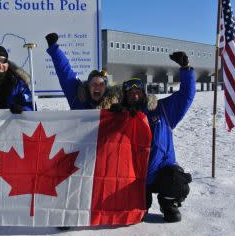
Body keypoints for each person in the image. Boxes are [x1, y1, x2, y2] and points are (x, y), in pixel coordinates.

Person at [113, 51, 195, 223]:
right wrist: (112, 116)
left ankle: (168, 202)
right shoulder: (121, 117)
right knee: (135, 217)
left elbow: (186, 95)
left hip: (162, 171)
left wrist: (185, 69)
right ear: (125, 97)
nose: (134, 95)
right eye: (129, 93)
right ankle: (143, 202)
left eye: (137, 91)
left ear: (143, 93)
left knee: (177, 183)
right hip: (134, 176)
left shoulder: (162, 109)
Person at [45, 33, 120, 110]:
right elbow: (64, 72)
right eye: (94, 84)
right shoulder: (78, 96)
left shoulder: (114, 104)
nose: (97, 87)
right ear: (88, 86)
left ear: (106, 88)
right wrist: (55, 50)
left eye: (101, 84)